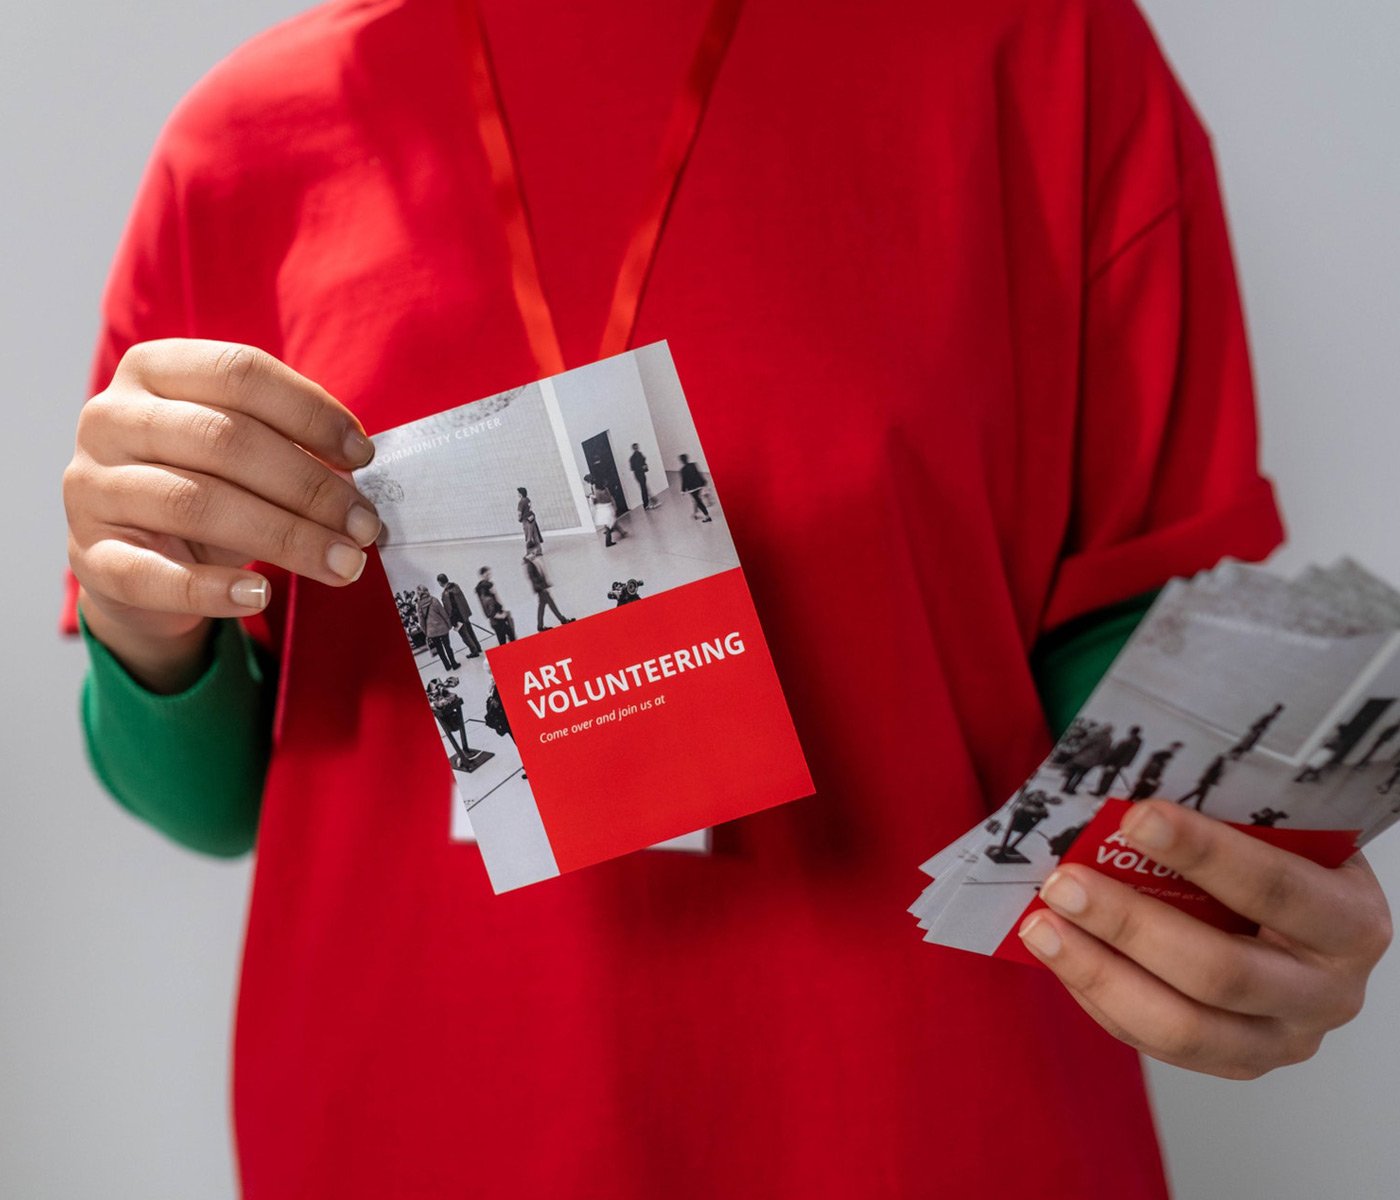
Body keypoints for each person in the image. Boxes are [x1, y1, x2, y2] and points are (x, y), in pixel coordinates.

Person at [63, 3, 1393, 1196]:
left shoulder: (1044, 48)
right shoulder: (244, 140)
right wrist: (142, 621)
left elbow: (1118, 674)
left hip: (923, 1130)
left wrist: (1249, 889)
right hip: (402, 1128)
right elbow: (215, 800)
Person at [437, 572, 482, 659]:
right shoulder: (456, 586)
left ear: (440, 582)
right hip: (464, 613)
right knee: (470, 631)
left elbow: (449, 608)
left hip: (457, 617)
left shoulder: (445, 594)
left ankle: (474, 651)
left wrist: (451, 620)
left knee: (464, 635)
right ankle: (478, 647)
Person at [524, 554, 573, 631]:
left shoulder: (532, 563)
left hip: (541, 587)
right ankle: (562, 620)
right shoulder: (530, 565)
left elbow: (540, 574)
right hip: (541, 589)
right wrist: (541, 587)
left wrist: (546, 584)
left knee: (542, 606)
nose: (534, 553)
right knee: (551, 604)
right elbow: (532, 578)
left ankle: (540, 626)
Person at [416, 585, 460, 671]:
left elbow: (421, 621)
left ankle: (447, 666)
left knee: (439, 649)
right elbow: (443, 613)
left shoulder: (419, 605)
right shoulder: (434, 600)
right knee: (447, 646)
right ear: (426, 590)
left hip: (431, 631)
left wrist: (426, 632)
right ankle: (454, 664)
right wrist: (449, 624)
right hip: (442, 628)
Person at [1061, 723, 1113, 795]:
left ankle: (1065, 787)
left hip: (1082, 757)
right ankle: (1072, 788)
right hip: (1092, 761)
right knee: (1081, 775)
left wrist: (1077, 752)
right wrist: (1100, 761)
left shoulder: (1095, 735)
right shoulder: (1108, 740)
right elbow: (1105, 753)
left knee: (1072, 773)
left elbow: (1084, 744)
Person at [1093, 724, 1143, 796]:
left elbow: (1119, 753)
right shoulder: (1135, 743)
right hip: (1118, 763)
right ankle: (1102, 791)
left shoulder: (1130, 742)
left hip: (1115, 762)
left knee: (1107, 777)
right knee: (1109, 777)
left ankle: (1100, 792)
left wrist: (1111, 762)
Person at [475, 567, 516, 645]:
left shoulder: (484, 588)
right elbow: (488, 608)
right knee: (509, 636)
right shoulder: (485, 591)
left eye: (489, 574)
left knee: (504, 638)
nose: (489, 576)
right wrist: (500, 615)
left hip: (497, 618)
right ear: (482, 575)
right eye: (487, 574)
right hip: (497, 619)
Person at [584, 473, 627, 547]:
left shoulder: (595, 488)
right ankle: (610, 540)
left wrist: (591, 497)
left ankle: (621, 533)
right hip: (606, 507)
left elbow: (598, 498)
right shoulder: (602, 488)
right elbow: (608, 498)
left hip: (602, 507)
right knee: (610, 523)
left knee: (611, 522)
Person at [677, 452, 712, 521]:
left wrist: (683, 490)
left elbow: (684, 481)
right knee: (696, 500)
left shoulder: (682, 470)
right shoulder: (693, 465)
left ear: (681, 461)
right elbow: (698, 474)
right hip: (699, 485)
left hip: (692, 489)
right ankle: (695, 514)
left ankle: (707, 517)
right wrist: (704, 482)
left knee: (698, 501)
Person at [517, 486, 544, 557]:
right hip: (532, 518)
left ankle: (529, 552)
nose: (518, 494)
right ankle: (539, 551)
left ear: (521, 493)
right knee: (535, 535)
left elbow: (519, 513)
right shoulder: (528, 499)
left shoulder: (521, 502)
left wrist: (519, 519)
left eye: (518, 493)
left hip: (526, 520)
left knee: (528, 536)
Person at [629, 442, 655, 509]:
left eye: (637, 447)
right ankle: (646, 505)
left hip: (640, 474)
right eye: (636, 447)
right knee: (644, 489)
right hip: (639, 474)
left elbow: (642, 463)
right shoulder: (634, 457)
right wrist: (642, 467)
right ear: (634, 448)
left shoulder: (638, 455)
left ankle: (648, 503)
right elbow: (634, 467)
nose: (637, 448)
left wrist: (644, 467)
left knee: (644, 488)